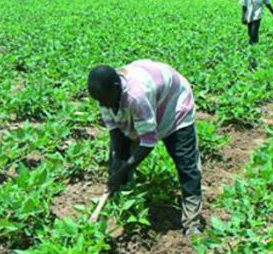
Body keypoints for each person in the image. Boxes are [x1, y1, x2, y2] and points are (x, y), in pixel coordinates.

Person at [87, 61, 204, 237]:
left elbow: (149, 142)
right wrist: (117, 162)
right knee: (118, 164)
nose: (104, 105)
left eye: (106, 101)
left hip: (174, 103)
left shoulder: (136, 96)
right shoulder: (105, 95)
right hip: (151, 100)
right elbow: (115, 132)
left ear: (116, 87)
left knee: (186, 164)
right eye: (100, 102)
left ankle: (192, 224)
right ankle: (119, 212)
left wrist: (124, 169)